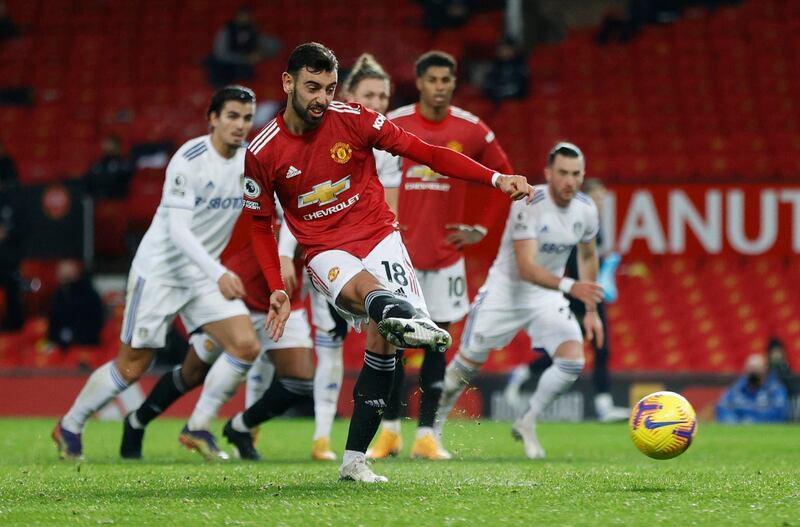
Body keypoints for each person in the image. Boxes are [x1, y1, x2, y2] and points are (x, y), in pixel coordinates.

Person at [239, 42, 533, 482]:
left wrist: (495, 178)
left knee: (385, 348)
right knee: (371, 299)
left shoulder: (354, 120)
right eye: (312, 87)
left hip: (379, 237)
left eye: (330, 87)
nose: (322, 98)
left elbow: (428, 153)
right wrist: (277, 285)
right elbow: (260, 224)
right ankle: (399, 310)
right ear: (288, 83)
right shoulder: (262, 151)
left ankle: (353, 461)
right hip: (325, 250)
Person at [52, 86, 292, 460]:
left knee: (246, 345)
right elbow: (179, 232)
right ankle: (71, 423)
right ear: (212, 118)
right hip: (160, 272)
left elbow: (282, 209)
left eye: (247, 118)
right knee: (133, 366)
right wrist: (218, 272)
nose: (240, 125)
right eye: (231, 116)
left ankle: (197, 426)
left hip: (201, 276)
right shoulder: (189, 159)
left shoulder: (251, 162)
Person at [368, 50, 512, 461]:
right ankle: (391, 432)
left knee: (437, 345)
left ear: (453, 83)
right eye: (432, 80)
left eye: (446, 80)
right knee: (393, 342)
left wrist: (481, 228)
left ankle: (428, 435)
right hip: (399, 255)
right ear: (420, 82)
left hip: (447, 256)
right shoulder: (395, 124)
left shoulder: (471, 129)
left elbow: (503, 174)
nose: (439, 87)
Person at [435, 142, 604, 459]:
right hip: (505, 292)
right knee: (463, 369)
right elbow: (527, 269)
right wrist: (571, 286)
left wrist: (592, 309)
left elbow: (588, 254)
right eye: (563, 173)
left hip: (546, 296)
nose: (570, 181)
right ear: (548, 174)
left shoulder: (586, 209)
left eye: (576, 174)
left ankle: (527, 420)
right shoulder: (528, 202)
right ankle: (432, 429)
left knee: (572, 360)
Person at [276, 52, 404, 462]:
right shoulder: (328, 131)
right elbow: (295, 206)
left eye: (384, 94)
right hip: (329, 255)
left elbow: (392, 210)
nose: (379, 102)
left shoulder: (384, 140)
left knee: (389, 333)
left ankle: (383, 433)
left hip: (372, 248)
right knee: (328, 345)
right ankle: (320, 436)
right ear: (349, 94)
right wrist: (284, 256)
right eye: (370, 94)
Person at [119, 208, 312, 461]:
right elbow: (271, 223)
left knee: (300, 381)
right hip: (240, 294)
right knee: (193, 372)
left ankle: (238, 427)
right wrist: (286, 251)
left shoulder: (331, 194)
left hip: (285, 300)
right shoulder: (275, 184)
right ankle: (137, 420)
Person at [503, 178, 629, 422]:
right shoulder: (578, 222)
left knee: (590, 348)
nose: (601, 202)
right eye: (597, 198)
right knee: (585, 347)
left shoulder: (593, 224)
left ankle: (522, 373)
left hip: (587, 292)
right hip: (580, 295)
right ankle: (603, 405)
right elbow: (575, 262)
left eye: (603, 198)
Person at [206, 7, 282, 88]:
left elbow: (276, 46)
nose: (245, 18)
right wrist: (244, 59)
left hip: (244, 67)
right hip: (224, 65)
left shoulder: (253, 30)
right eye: (242, 16)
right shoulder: (227, 30)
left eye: (247, 16)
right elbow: (220, 54)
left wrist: (261, 53)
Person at [716, 353, 790, 424]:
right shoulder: (736, 389)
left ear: (765, 370)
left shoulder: (775, 389)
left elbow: (780, 412)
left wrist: (754, 421)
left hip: (765, 432)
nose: (753, 373)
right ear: (745, 370)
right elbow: (722, 407)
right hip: (739, 430)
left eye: (757, 369)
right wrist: (735, 422)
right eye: (751, 369)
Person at [47, 260, 104, 349]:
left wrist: (74, 338)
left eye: (65, 274)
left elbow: (94, 323)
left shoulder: (89, 295)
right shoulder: (57, 296)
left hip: (85, 345)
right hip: (60, 345)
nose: (61, 276)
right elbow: (53, 323)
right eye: (60, 273)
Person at [0, 184, 23, 331]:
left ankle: (13, 330)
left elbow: (24, 228)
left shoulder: (13, 201)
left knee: (12, 296)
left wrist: (7, 233)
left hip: (8, 260)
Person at [84, 136, 133, 200]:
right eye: (106, 144)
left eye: (110, 144)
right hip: (99, 199)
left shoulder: (124, 162)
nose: (107, 146)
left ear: (117, 146)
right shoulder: (98, 163)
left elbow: (123, 181)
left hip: (118, 199)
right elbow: (89, 180)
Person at [482, 37, 529, 103]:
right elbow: (488, 86)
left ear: (513, 49)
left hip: (514, 103)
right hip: (494, 102)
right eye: (501, 49)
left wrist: (502, 93)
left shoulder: (519, 66)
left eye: (506, 48)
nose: (503, 51)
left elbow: (520, 89)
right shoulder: (494, 65)